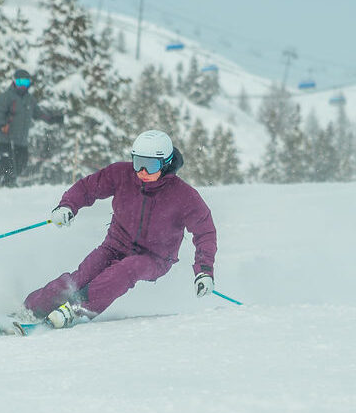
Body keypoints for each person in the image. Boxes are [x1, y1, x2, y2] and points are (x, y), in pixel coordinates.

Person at [23, 129, 218, 328]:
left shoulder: (183, 195)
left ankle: (76, 310)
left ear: (166, 164)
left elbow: (205, 233)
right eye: (138, 163)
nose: (142, 172)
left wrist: (204, 271)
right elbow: (88, 188)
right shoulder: (122, 174)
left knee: (126, 270)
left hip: (155, 258)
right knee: (80, 277)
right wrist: (67, 206)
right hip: (114, 246)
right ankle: (31, 309)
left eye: (150, 166)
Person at [0, 68, 64, 187]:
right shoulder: (7, 96)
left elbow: (38, 114)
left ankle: (8, 183)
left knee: (21, 162)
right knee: (6, 161)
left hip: (21, 139)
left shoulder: (30, 99)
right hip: (6, 137)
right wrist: (2, 125)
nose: (22, 86)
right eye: (20, 82)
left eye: (25, 83)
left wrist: (52, 119)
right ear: (14, 82)